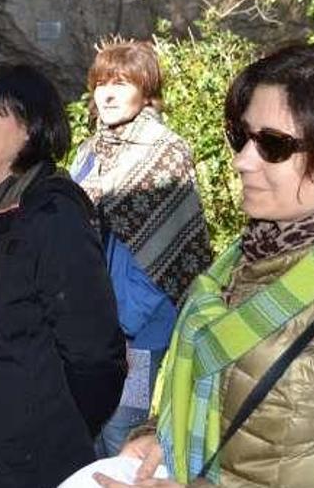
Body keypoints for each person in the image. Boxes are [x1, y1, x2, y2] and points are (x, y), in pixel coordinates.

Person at [97, 43, 314, 488]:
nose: (242, 160)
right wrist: (161, 438)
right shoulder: (246, 261)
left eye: (273, 145)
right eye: (241, 136)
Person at [0, 63, 126, 487]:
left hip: (32, 451)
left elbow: (95, 355)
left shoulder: (53, 214)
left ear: (30, 127)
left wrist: (51, 424)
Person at [68, 38, 211, 457]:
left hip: (140, 328)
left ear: (146, 92)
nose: (107, 93)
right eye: (100, 83)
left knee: (121, 429)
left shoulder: (167, 153)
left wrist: (123, 320)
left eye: (121, 82)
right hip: (92, 323)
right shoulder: (90, 152)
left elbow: (176, 253)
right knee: (86, 427)